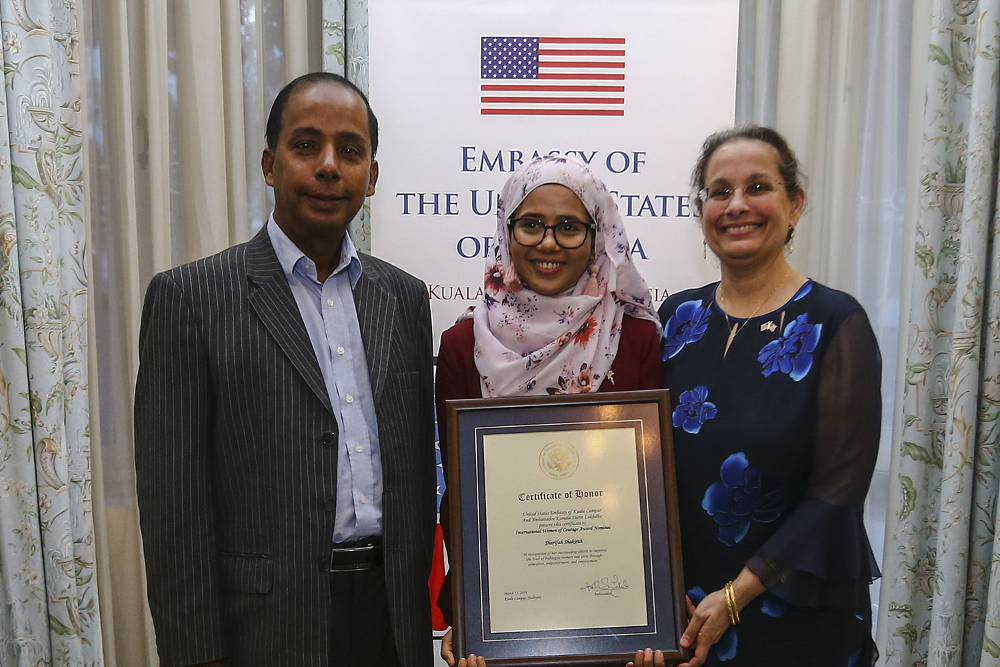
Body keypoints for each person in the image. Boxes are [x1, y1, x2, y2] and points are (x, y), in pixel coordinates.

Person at [133, 72, 436, 667]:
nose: (329, 166)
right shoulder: (190, 298)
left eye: (351, 151)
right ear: (270, 164)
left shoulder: (404, 298)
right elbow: (174, 515)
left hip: (390, 617)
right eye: (306, 145)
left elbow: (415, 473)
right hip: (263, 629)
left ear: (371, 177)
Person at [637, 125, 881, 667]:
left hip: (795, 616)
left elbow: (836, 495)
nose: (736, 205)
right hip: (683, 617)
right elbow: (644, 468)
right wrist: (649, 596)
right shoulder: (677, 317)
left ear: (794, 205)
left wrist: (733, 597)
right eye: (719, 191)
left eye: (757, 187)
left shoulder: (836, 323)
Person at [434, 155, 664, 667]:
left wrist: (656, 611)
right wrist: (471, 613)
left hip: (616, 615)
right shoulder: (461, 345)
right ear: (506, 227)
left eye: (569, 227)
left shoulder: (637, 338)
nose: (548, 242)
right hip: (504, 618)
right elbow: (462, 493)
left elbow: (650, 491)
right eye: (531, 223)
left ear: (598, 233)